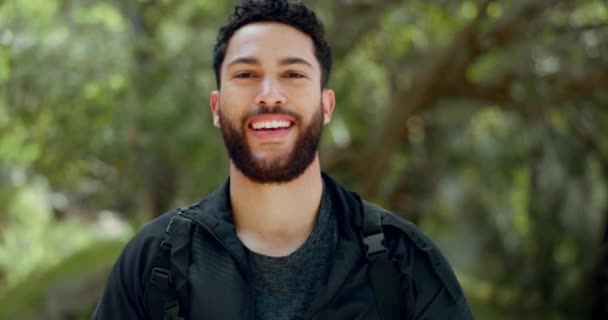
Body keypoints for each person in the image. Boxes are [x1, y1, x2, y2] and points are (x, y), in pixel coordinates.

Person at [92, 0, 475, 319]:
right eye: (246, 74)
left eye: (292, 73)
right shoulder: (153, 263)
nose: (270, 94)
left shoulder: (404, 264)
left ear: (325, 106)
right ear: (216, 106)